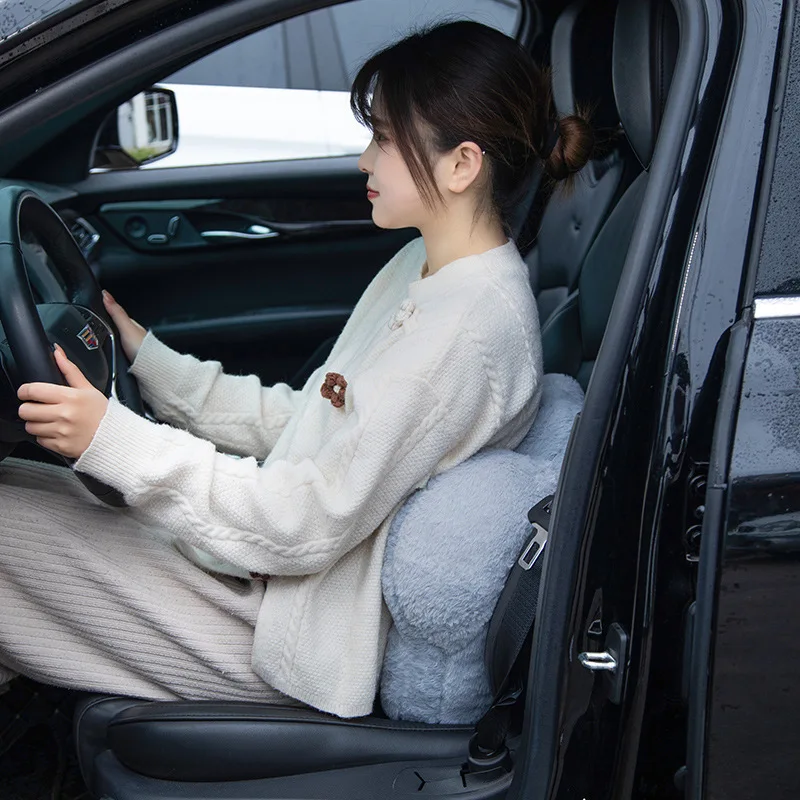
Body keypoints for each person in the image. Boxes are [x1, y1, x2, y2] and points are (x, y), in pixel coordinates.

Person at [0, 20, 592, 718]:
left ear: (461, 166)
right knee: (20, 488)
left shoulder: (466, 331)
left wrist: (113, 441)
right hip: (274, 572)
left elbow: (304, 521)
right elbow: (311, 416)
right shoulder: (429, 266)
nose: (364, 162)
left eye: (383, 140)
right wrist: (146, 359)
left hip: (293, 630)